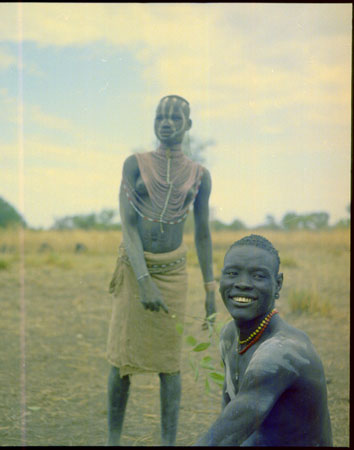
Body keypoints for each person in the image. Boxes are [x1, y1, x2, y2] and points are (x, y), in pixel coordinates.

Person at [106, 95, 216, 446]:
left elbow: (201, 233)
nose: (166, 123)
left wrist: (210, 290)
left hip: (174, 272)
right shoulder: (134, 164)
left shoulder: (200, 175)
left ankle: (168, 443)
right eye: (160, 117)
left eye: (174, 118)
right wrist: (143, 280)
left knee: (170, 363)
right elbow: (128, 226)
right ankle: (113, 440)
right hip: (135, 267)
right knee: (121, 359)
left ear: (188, 125)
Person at [195, 234, 332, 446]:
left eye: (258, 276)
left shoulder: (281, 352)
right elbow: (230, 420)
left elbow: (224, 435)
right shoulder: (230, 335)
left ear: (278, 285)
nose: (242, 284)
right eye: (232, 273)